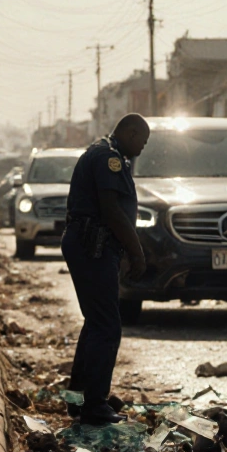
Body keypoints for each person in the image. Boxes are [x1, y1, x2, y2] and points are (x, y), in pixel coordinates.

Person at [62, 114, 150, 425]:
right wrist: (136, 251)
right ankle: (94, 404)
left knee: (95, 323)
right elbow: (111, 209)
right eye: (142, 140)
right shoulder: (108, 158)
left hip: (94, 245)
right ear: (130, 132)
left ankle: (77, 399)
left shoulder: (108, 154)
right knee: (107, 325)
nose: (142, 147)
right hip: (92, 245)